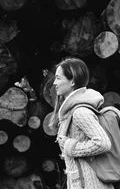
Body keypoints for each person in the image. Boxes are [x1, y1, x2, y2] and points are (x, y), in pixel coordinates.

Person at [48, 57, 113, 189]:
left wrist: (69, 146)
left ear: (72, 81)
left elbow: (103, 143)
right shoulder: (71, 112)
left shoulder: (80, 112)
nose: (54, 83)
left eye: (58, 78)